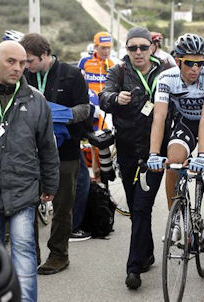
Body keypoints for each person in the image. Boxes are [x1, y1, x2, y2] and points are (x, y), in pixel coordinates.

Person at [0, 40, 60, 301]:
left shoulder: (37, 100)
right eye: (11, 61)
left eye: (23, 63)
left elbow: (48, 148)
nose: (19, 68)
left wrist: (50, 185)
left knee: (24, 252)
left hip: (23, 193)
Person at [99, 26, 171, 290]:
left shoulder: (166, 70)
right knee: (137, 209)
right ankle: (147, 253)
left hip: (155, 150)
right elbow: (103, 97)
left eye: (143, 47)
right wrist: (116, 98)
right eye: (132, 48)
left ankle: (133, 268)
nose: (138, 52)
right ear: (126, 50)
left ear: (152, 47)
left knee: (141, 207)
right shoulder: (118, 71)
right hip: (127, 148)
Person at [148, 33, 204, 258]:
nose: (196, 69)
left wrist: (202, 155)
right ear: (178, 60)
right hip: (185, 122)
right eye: (190, 63)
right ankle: (176, 222)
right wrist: (154, 154)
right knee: (173, 162)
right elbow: (160, 118)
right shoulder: (166, 78)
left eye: (200, 63)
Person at [21, 33, 90, 275]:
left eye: (29, 61)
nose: (25, 66)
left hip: (66, 151)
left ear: (44, 55)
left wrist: (58, 114)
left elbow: (86, 109)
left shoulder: (72, 75)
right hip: (30, 152)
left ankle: (59, 255)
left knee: (62, 206)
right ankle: (30, 255)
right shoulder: (24, 76)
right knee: (27, 205)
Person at [72, 31, 117, 241]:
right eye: (102, 47)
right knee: (87, 149)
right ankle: (93, 187)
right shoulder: (85, 61)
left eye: (108, 47)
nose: (105, 50)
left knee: (103, 150)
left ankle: (102, 187)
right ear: (95, 46)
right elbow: (79, 83)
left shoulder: (112, 64)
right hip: (88, 110)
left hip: (105, 112)